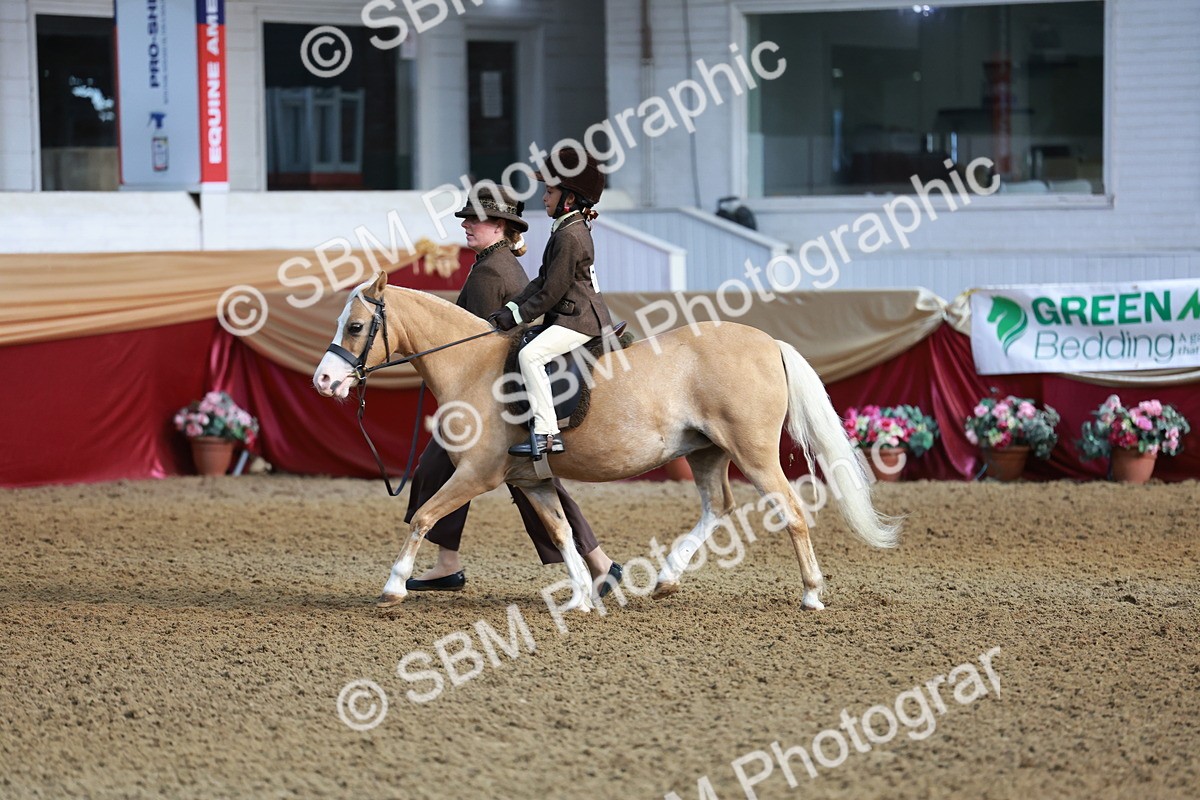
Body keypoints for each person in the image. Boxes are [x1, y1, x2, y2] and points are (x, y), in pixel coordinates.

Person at [405, 184, 622, 594]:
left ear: (500, 227)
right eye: (466, 218)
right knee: (502, 476)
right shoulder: (494, 261)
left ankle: (597, 560)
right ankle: (595, 561)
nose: (467, 225)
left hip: (493, 396)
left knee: (519, 479)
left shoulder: (492, 271)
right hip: (497, 391)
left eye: (476, 219)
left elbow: (472, 342)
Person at [489, 148, 614, 458]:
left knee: (530, 356)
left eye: (549, 191)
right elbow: (541, 280)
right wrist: (512, 309)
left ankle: (547, 434)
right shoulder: (565, 229)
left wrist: (517, 318)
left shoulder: (570, 236)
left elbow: (551, 294)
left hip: (581, 318)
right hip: (572, 313)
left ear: (568, 199)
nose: (543, 198)